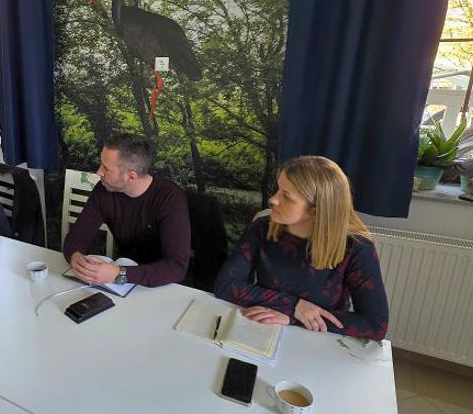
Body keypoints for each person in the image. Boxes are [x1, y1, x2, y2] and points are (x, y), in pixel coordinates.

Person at [214, 156, 389, 341]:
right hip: (260, 329)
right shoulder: (261, 228)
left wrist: (294, 318)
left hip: (316, 341)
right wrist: (293, 306)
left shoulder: (356, 247)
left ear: (316, 209)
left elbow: (375, 325)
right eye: (278, 190)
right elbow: (225, 284)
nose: (273, 200)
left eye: (286, 196)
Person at [62, 134, 190, 287]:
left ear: (131, 177)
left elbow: (176, 268)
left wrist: (119, 273)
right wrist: (75, 257)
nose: (98, 172)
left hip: (165, 286)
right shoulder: (103, 190)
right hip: (123, 279)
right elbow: (77, 236)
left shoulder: (170, 198)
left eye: (106, 168)